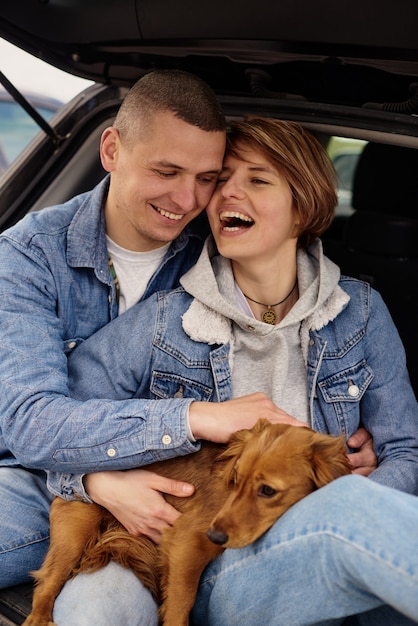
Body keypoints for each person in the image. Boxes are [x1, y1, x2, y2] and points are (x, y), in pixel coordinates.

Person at [53, 117, 418, 625]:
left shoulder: (359, 312)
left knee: (348, 510)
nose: (228, 193)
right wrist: (95, 479)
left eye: (257, 179)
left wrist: (333, 493)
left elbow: (406, 450)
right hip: (170, 548)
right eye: (221, 179)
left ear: (302, 206)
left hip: (281, 564)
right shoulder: (166, 319)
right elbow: (60, 423)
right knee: (93, 610)